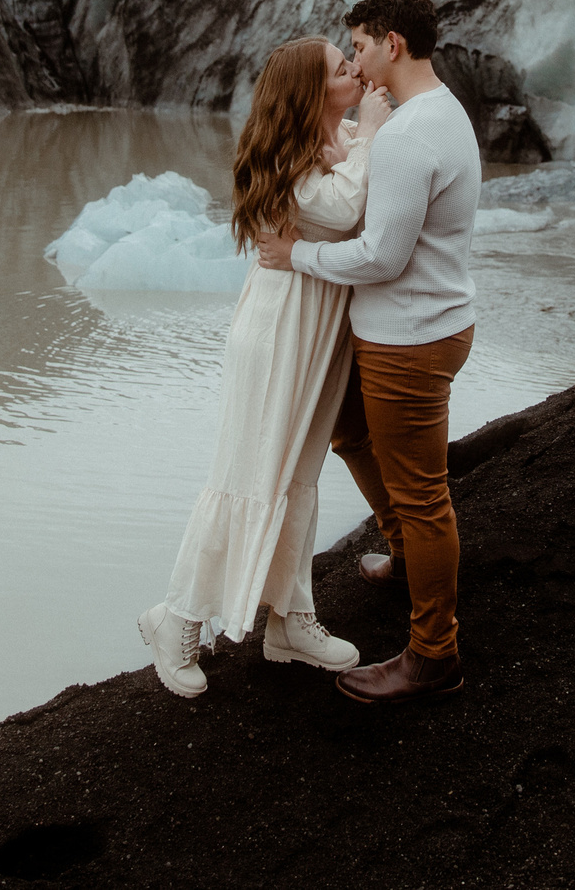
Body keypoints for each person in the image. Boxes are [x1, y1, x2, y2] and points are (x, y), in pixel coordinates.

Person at [136, 37, 392, 698]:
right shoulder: (295, 152)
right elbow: (343, 209)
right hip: (279, 333)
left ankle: (290, 618)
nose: (356, 71)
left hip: (316, 334)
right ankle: (178, 616)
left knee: (297, 475)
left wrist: (360, 132)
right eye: (343, 69)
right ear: (313, 93)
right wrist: (373, 133)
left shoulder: (334, 142)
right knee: (247, 473)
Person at [257, 0, 480, 704]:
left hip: (408, 339)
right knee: (352, 431)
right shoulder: (435, 114)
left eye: (358, 45)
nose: (354, 59)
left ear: (393, 43)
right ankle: (412, 558)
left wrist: (297, 258)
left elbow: (382, 254)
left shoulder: (412, 134)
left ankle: (432, 653)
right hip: (414, 326)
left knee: (423, 494)